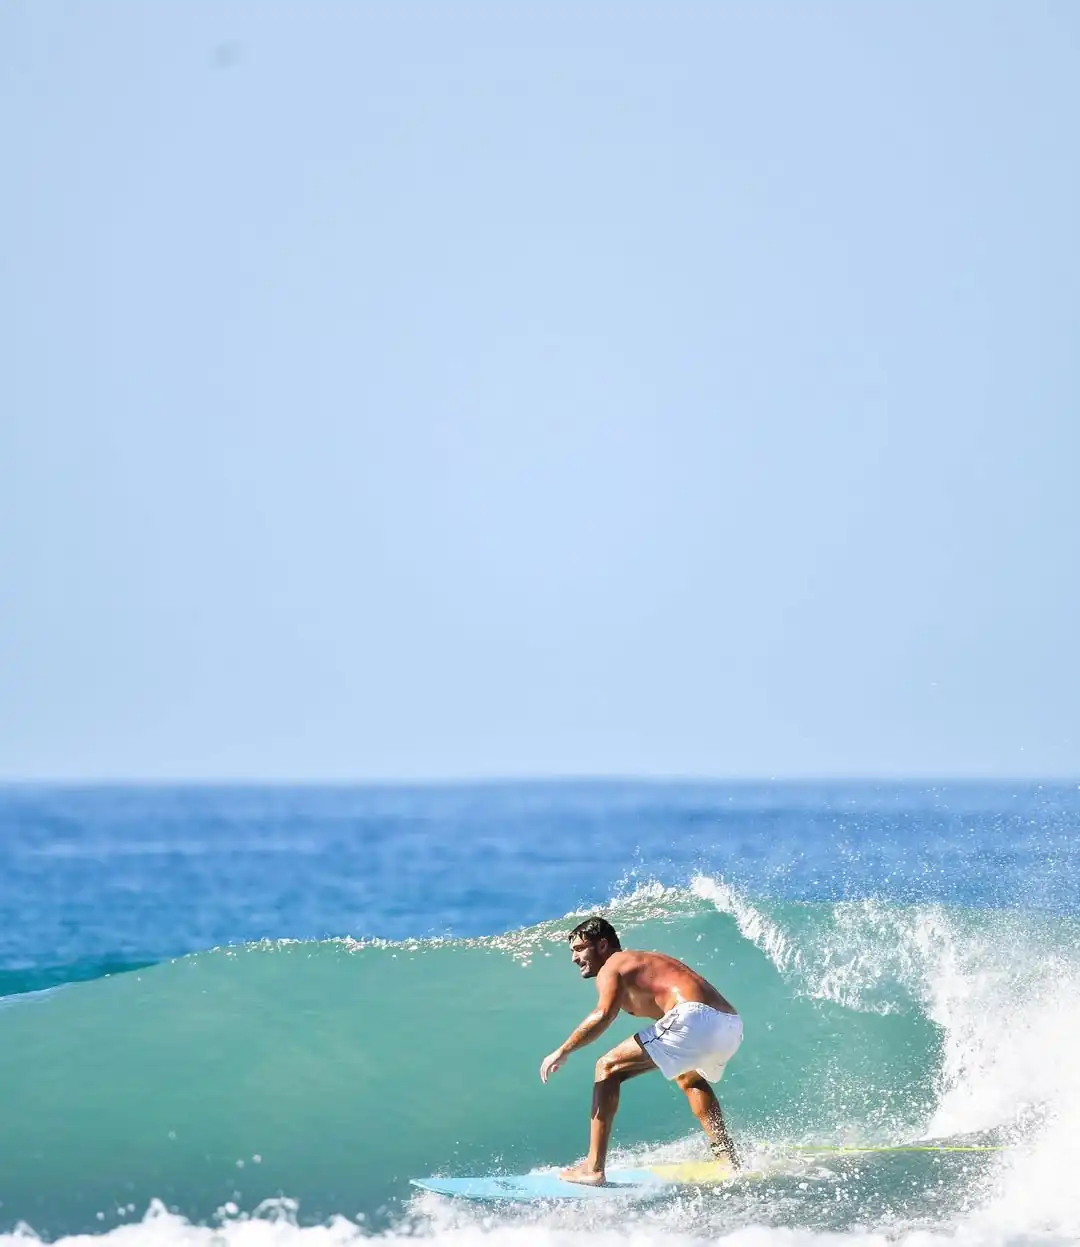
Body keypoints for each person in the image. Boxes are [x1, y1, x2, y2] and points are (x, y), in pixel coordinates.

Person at [539, 915, 742, 1186]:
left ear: (602, 945)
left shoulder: (613, 964)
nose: (574, 958)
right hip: (730, 1025)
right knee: (689, 1077)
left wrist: (563, 1050)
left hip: (693, 1018)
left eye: (579, 949)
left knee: (606, 1067)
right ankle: (727, 1156)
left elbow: (604, 1014)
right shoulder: (643, 963)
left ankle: (593, 1168)